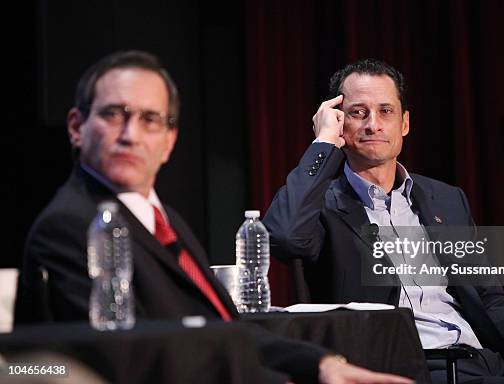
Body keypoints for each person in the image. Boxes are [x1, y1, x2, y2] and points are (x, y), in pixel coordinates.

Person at [14, 51, 412, 384]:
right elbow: (130, 359)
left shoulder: (162, 219)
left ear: (169, 141)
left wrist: (321, 364)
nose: (131, 135)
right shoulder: (71, 226)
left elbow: (222, 329)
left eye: (151, 119)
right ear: (77, 127)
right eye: (115, 114)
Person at [263, 58, 504, 383]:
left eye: (386, 110)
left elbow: (487, 296)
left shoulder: (445, 198)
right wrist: (323, 141)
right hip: (408, 366)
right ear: (340, 121)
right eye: (358, 112)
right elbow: (284, 237)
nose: (373, 123)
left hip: (483, 360)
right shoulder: (322, 203)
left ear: (405, 123)